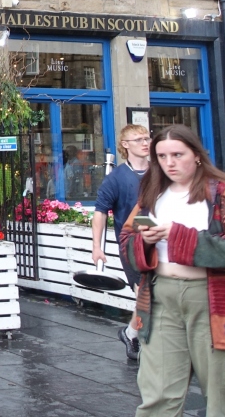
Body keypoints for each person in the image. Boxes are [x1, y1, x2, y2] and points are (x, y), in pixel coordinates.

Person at [120, 125, 225, 417]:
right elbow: (128, 237)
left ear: (197, 155)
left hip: (215, 299)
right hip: (160, 298)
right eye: (162, 156)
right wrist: (146, 240)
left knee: (223, 395)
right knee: (157, 394)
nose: (169, 163)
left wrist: (179, 235)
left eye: (177, 155)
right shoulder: (152, 193)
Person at [93, 123, 150, 361]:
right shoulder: (116, 178)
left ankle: (131, 333)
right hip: (132, 246)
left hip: (161, 242)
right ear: (125, 145)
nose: (145, 143)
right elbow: (100, 212)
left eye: (147, 138)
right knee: (146, 297)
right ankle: (138, 336)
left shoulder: (160, 172)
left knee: (152, 298)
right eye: (139, 139)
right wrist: (97, 247)